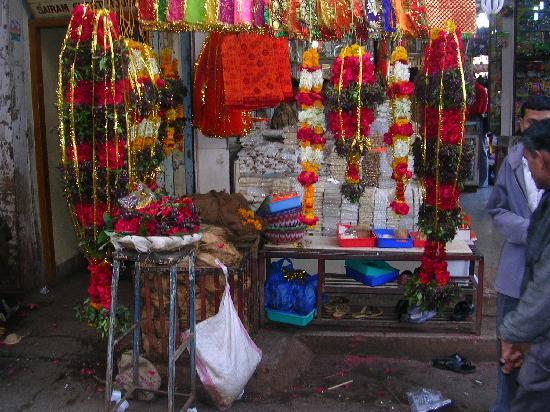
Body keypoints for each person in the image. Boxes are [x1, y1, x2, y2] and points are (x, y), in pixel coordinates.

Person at [486, 95, 550, 412]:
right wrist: (528, 229)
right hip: (515, 273)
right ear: (521, 123)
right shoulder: (511, 162)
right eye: (531, 122)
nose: (537, 128)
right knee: (508, 355)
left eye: (544, 122)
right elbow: (495, 209)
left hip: (542, 280)